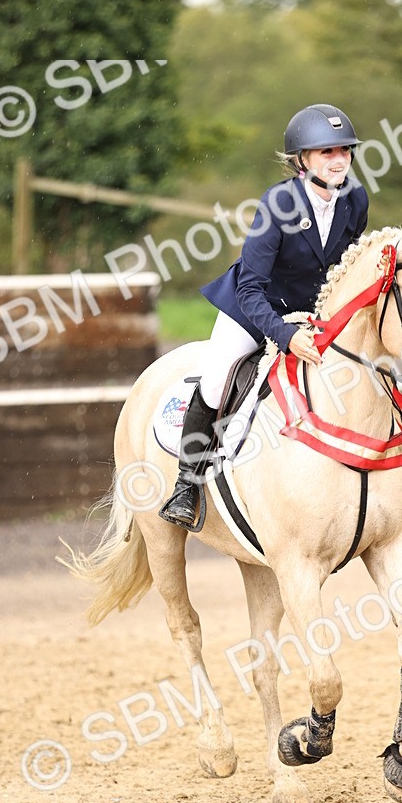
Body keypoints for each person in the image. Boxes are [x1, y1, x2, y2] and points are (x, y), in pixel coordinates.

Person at [158, 103, 369, 529]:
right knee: (218, 379)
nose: (339, 159)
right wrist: (285, 336)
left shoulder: (355, 200)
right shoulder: (279, 204)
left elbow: (349, 268)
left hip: (313, 311)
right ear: (302, 160)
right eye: (326, 152)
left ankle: (386, 473)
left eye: (344, 150)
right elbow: (250, 287)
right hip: (255, 307)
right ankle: (187, 482)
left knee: (365, 366)